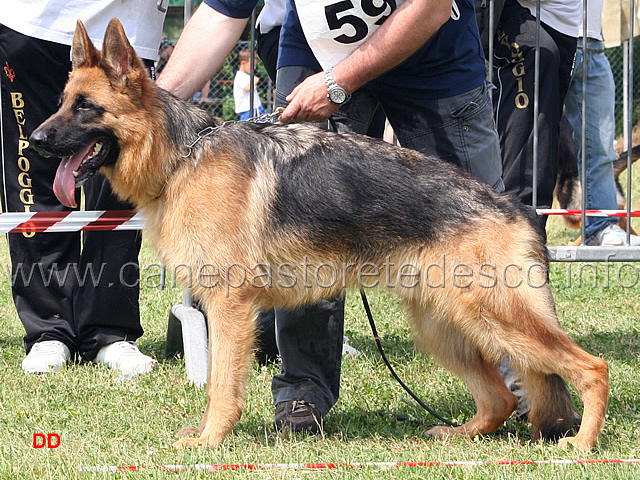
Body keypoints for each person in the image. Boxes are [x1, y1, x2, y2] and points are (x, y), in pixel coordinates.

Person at [158, 0, 504, 433]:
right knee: (294, 225)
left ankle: (530, 390)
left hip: (434, 53)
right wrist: (150, 103)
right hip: (317, 49)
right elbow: (221, 13)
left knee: (485, 233)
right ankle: (303, 390)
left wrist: (338, 82)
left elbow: (430, 7)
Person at [0, 0, 164, 379]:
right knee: (34, 171)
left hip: (133, 33)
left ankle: (110, 331)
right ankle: (47, 329)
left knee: (123, 183)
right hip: (34, 24)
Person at [492, 0, 580, 236]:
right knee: (524, 149)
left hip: (568, 27)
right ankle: (517, 238)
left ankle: (529, 239)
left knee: (544, 149)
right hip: (522, 19)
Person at [563, 0, 640, 246]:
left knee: (602, 147)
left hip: (594, 42)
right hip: (545, 36)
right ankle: (526, 226)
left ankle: (601, 226)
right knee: (532, 142)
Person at [233, 49, 268, 120]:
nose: (254, 68)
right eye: (252, 65)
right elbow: (247, 88)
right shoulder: (240, 76)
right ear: (243, 63)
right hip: (247, 110)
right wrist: (254, 81)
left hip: (257, 107)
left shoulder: (247, 76)